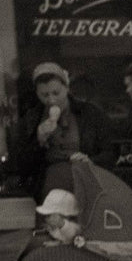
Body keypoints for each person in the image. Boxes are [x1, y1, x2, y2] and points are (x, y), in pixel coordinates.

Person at [10, 62, 115, 202]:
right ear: (37, 93)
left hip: (87, 183)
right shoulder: (31, 120)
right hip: (51, 188)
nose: (51, 100)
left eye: (56, 93)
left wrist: (91, 161)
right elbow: (21, 166)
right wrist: (38, 140)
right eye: (44, 95)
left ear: (66, 87)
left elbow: (111, 152)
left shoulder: (90, 114)